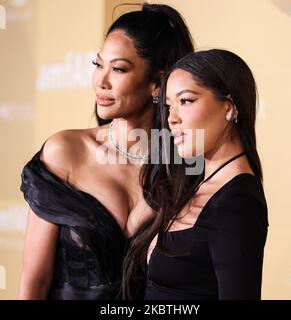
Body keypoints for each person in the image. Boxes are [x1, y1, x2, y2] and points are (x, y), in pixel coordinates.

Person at [18, 3, 194, 300]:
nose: (101, 81)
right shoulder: (66, 152)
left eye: (118, 69)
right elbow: (35, 281)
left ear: (158, 82)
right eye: (98, 65)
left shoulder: (183, 162)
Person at [122, 49, 269, 300]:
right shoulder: (194, 185)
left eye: (186, 101)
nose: (172, 119)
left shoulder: (237, 204)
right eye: (169, 106)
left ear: (230, 106)